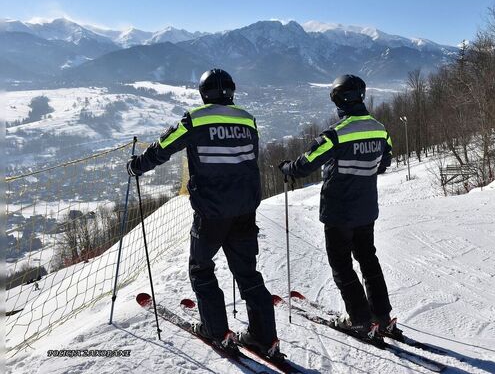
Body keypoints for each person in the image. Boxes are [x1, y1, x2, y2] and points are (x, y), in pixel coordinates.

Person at [127, 68, 280, 356]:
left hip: (211, 211)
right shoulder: (248, 119)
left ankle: (216, 331)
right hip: (245, 209)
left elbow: (163, 148)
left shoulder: (195, 119)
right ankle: (265, 337)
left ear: (203, 93)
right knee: (248, 273)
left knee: (201, 268)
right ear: (231, 92)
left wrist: (137, 166)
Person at [278, 74, 402, 339]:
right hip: (366, 209)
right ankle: (382, 316)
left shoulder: (336, 134)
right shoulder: (380, 129)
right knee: (368, 260)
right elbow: (384, 162)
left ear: (339, 101)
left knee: (342, 264)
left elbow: (306, 164)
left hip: (338, 211)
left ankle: (360, 319)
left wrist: (287, 168)